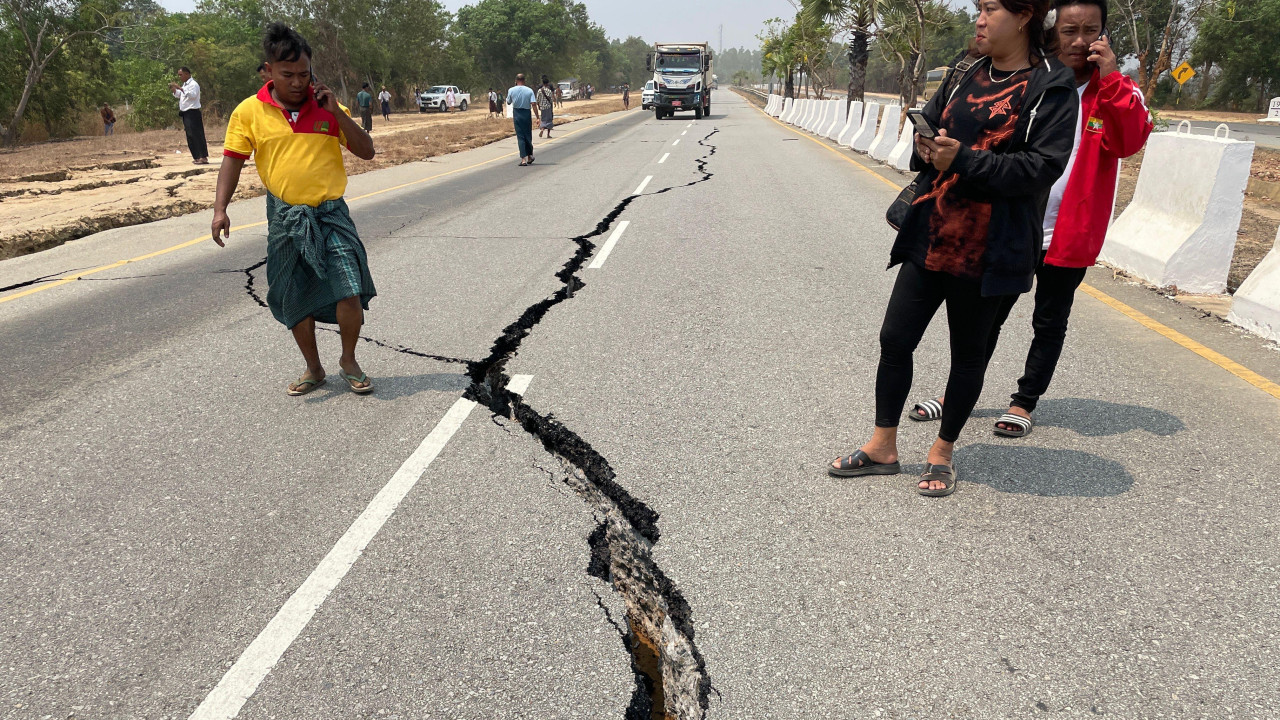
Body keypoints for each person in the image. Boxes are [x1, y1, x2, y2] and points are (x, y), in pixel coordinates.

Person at [827, 0, 1078, 497]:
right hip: (933, 232)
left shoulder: (1052, 85)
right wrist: (927, 144)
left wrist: (964, 158)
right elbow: (940, 121)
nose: (979, 20)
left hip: (991, 248)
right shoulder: (967, 70)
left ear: (1024, 16)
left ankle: (941, 454)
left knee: (967, 357)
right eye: (978, 9)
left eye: (990, 9)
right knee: (895, 339)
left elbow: (1040, 169)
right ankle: (883, 446)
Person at [906, 0, 1153, 438]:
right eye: (1070, 29)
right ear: (1051, 28)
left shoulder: (1114, 90)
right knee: (986, 318)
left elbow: (1131, 139)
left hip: (1068, 231)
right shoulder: (1035, 80)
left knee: (1050, 319)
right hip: (1012, 224)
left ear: (1104, 35)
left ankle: (1025, 400)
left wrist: (1112, 77)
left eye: (1090, 30)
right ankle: (955, 394)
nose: (1079, 41)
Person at [211, 22, 378, 396]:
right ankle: (314, 368)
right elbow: (232, 161)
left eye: (304, 74)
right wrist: (220, 209)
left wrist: (337, 114)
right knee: (292, 294)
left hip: (331, 213)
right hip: (285, 217)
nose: (298, 82)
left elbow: (366, 151)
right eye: (288, 75)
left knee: (348, 290)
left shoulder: (327, 108)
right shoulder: (248, 113)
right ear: (268, 71)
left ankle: (348, 360)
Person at [169, 67, 208, 165]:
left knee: (197, 134)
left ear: (187, 74)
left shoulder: (193, 84)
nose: (179, 77)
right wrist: (175, 90)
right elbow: (182, 95)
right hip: (186, 113)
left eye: (181, 75)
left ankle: (203, 157)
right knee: (190, 136)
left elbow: (193, 95)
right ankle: (196, 156)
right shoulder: (185, 85)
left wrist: (181, 88)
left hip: (193, 112)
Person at [506, 73, 536, 166]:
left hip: (517, 114)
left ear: (516, 81)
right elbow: (533, 104)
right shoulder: (529, 90)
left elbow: (508, 101)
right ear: (524, 80)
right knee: (528, 135)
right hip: (526, 113)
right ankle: (529, 156)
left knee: (520, 136)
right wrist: (538, 117)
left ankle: (523, 159)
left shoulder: (511, 90)